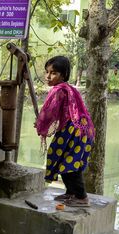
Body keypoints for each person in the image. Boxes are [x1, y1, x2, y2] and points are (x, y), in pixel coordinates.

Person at [36, 56, 96, 207]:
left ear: (63, 75)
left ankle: (81, 197)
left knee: (70, 163)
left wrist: (40, 124)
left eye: (54, 73)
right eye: (47, 72)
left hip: (74, 131)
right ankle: (71, 193)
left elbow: (49, 113)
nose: (48, 76)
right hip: (82, 130)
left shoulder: (59, 90)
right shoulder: (70, 89)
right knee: (64, 159)